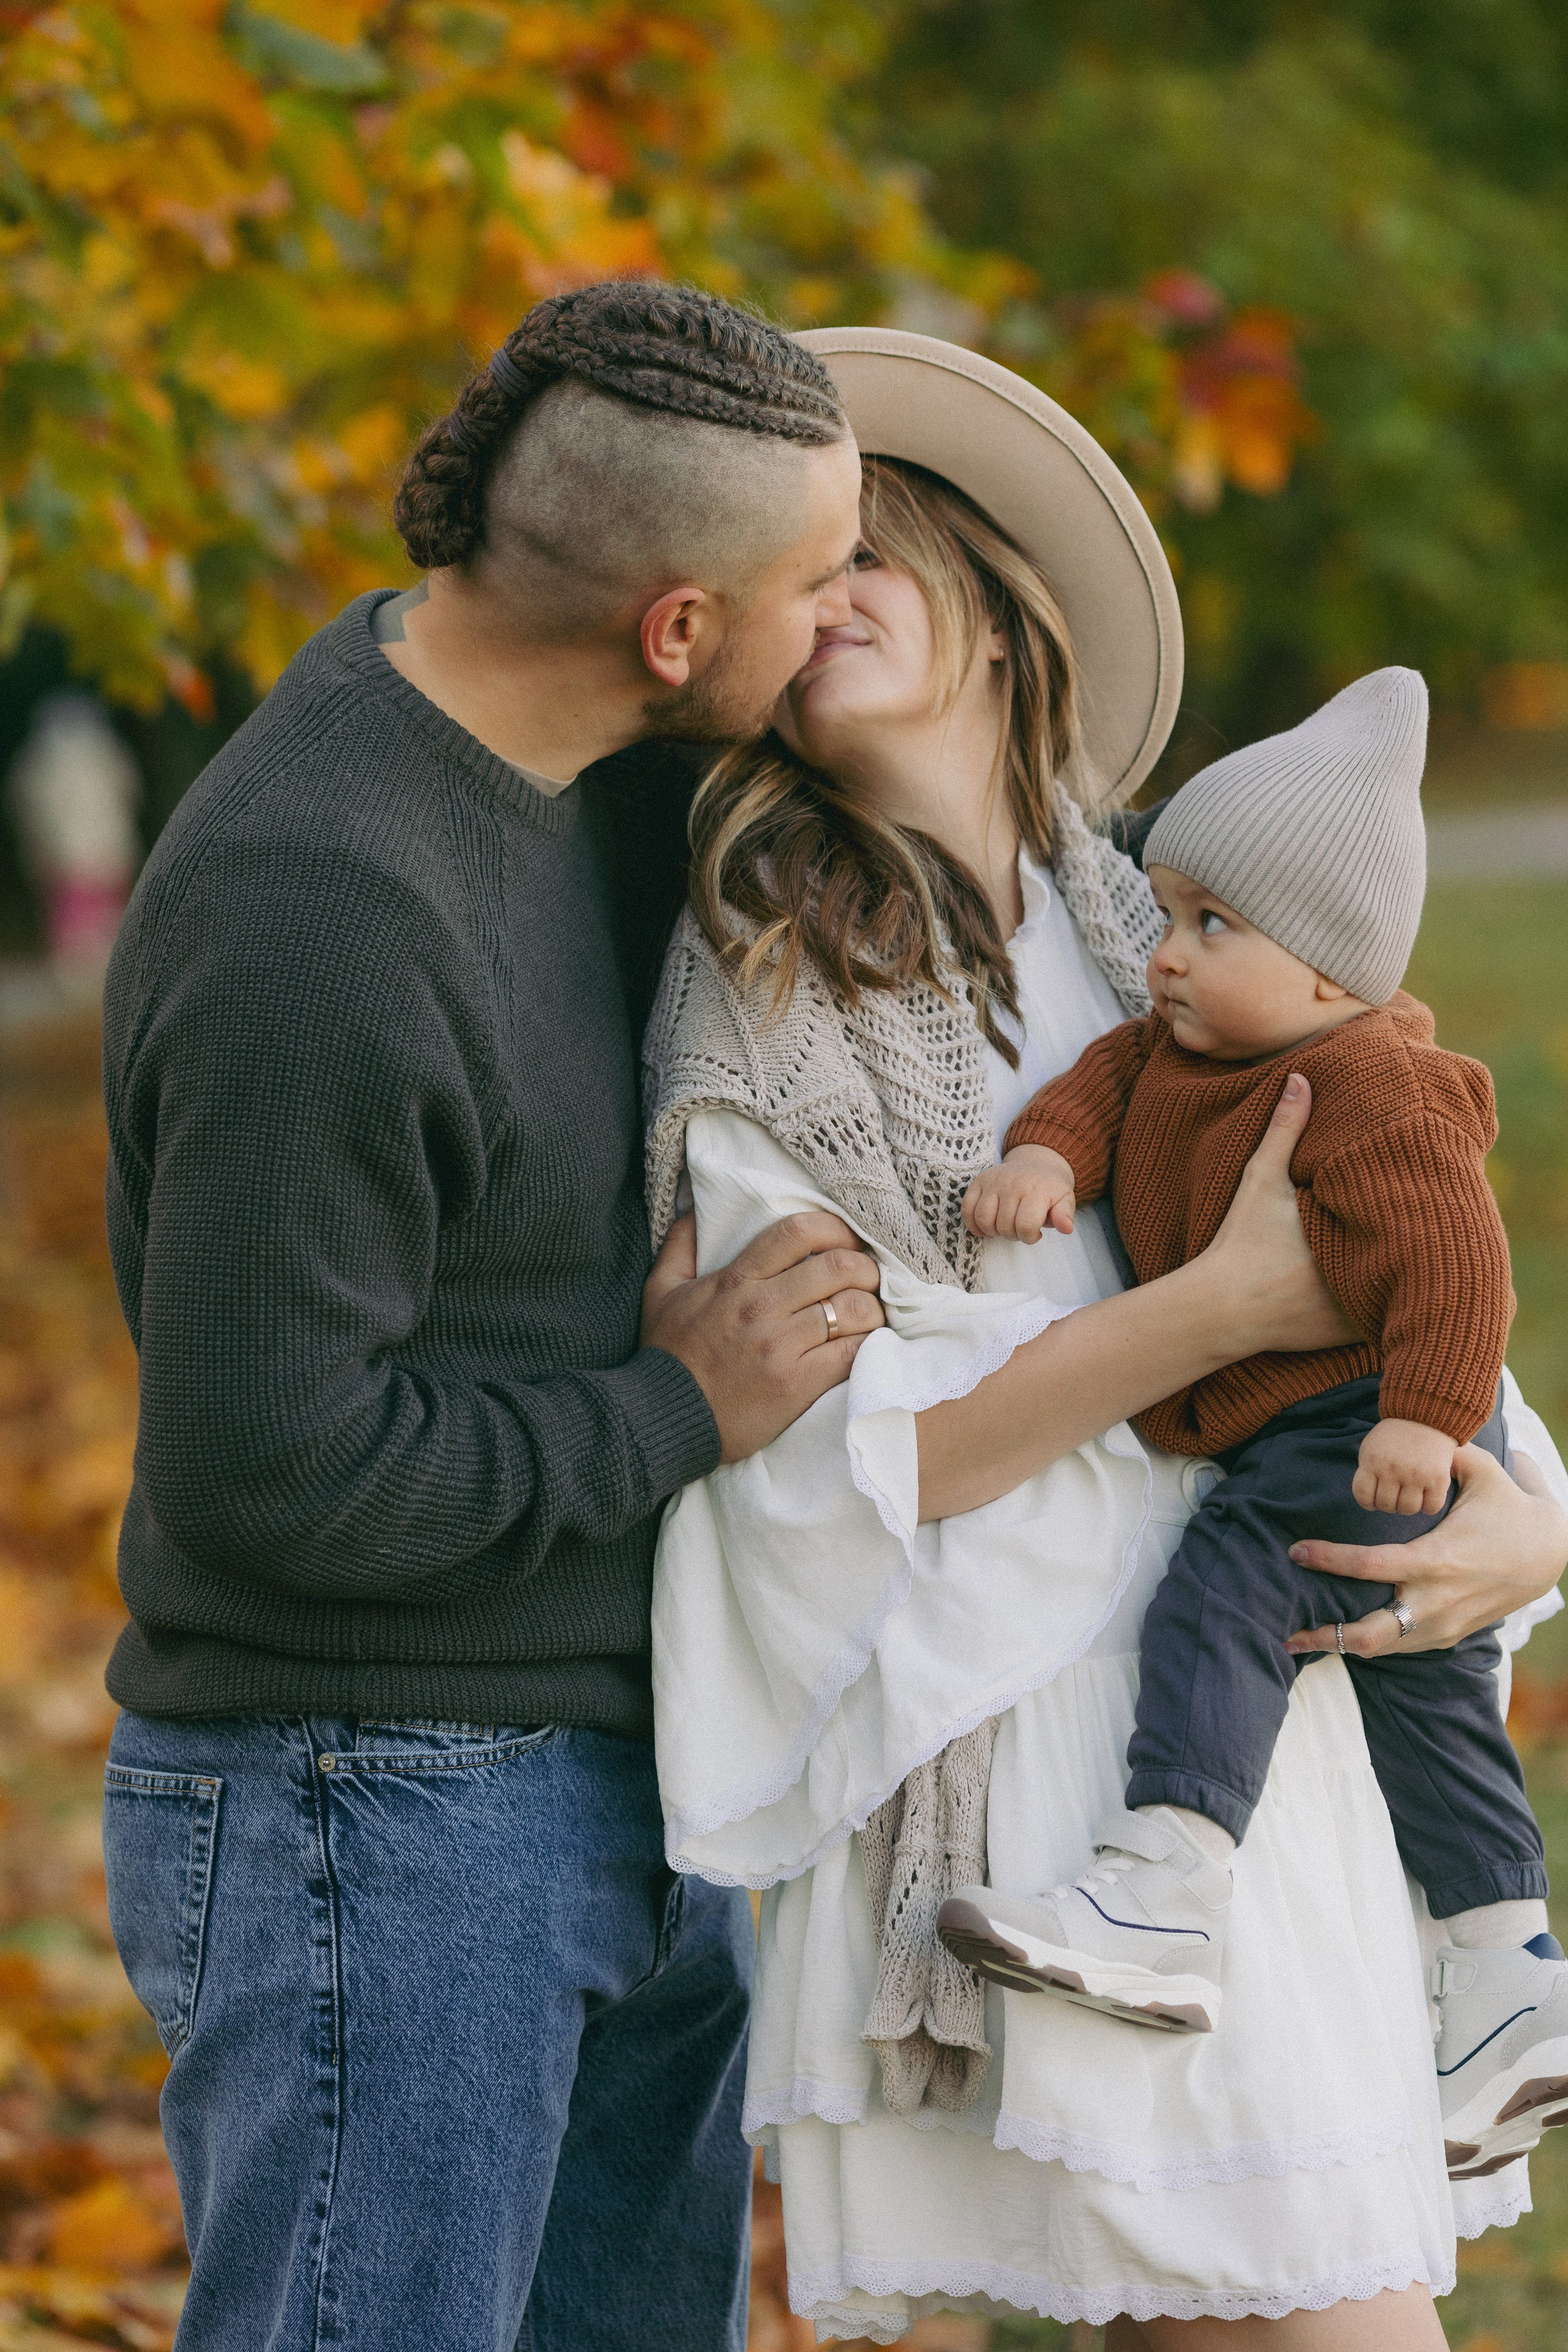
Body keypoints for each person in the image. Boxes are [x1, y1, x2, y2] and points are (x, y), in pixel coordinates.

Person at [641, 328, 1568, 2347]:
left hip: (1248, 1748)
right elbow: (851, 1455)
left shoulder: (1170, 927)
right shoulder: (766, 988)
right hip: (1014, 1765)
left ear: (991, 606)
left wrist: (1531, 1518)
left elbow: (1409, 1241)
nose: (824, 600)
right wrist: (1213, 1311)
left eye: (864, 551)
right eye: (787, 573)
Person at [99, 282, 893, 2352]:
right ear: (675, 626)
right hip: (374, 1805)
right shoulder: (327, 900)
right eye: (820, 580)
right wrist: (674, 1409)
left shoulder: (582, 776)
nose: (846, 616)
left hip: (614, 1772)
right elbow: (271, 1471)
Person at [943, 671, 1567, 2185]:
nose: (1164, 955)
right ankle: (1509, 1979)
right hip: (1330, 1426)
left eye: (1211, 926)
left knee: (1226, 1593)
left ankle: (1166, 1879)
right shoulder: (1179, 1048)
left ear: (1333, 972)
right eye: (1166, 915)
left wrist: (1422, 1422)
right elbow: (1091, 1095)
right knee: (1426, 1694)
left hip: (1354, 1425)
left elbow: (1460, 1266)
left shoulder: (1369, 1084)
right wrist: (1043, 1162)